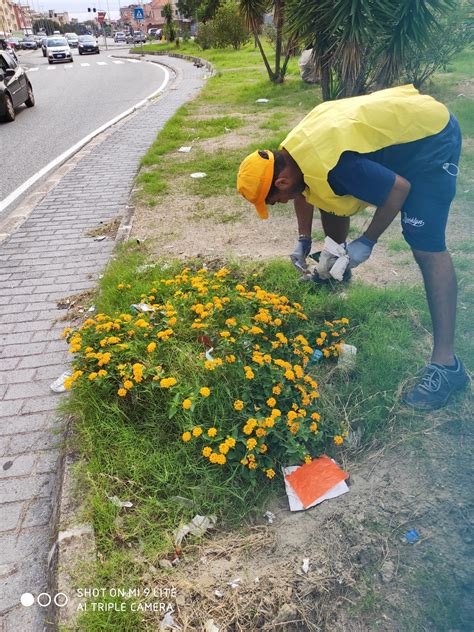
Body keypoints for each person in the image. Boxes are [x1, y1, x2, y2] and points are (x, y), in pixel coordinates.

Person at [237, 84, 469, 411]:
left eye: (274, 201)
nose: (280, 203)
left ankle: (447, 366)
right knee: (330, 198)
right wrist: (304, 239)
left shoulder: (334, 165)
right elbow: (306, 192)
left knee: (425, 244)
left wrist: (367, 242)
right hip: (397, 129)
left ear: (280, 182)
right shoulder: (291, 154)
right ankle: (334, 273)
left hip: (430, 139)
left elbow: (397, 190)